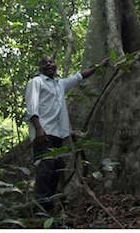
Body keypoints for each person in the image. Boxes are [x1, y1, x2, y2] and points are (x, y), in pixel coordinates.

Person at [25, 55, 105, 211]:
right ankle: (40, 213)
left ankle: (49, 211)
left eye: (51, 62)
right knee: (45, 172)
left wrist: (99, 65)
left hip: (58, 135)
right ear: (40, 68)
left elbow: (79, 76)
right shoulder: (36, 82)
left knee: (55, 171)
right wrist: (39, 129)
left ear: (55, 66)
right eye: (45, 63)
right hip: (43, 134)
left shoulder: (60, 84)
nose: (49, 64)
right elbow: (32, 107)